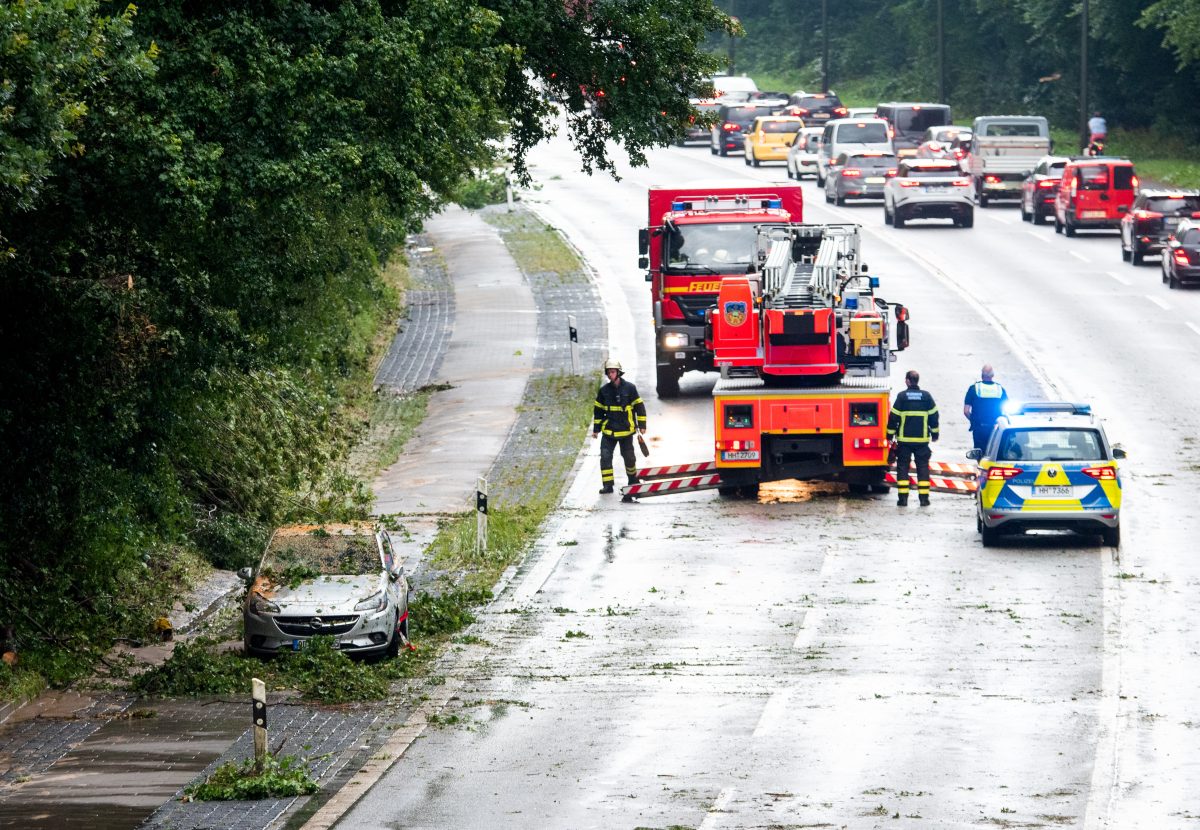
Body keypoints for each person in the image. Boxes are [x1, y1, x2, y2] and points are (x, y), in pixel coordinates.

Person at [591, 359, 647, 494]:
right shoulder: (603, 391)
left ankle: (632, 480)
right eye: (608, 372)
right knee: (605, 457)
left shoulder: (630, 388)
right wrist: (596, 430)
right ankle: (608, 485)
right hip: (609, 432)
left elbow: (639, 407)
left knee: (629, 457)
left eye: (612, 372)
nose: (610, 375)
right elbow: (598, 411)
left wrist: (642, 425)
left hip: (626, 431)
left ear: (618, 372)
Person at [887, 369, 939, 507]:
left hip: (904, 441)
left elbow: (893, 418)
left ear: (908, 381)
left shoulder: (902, 397)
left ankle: (903, 499)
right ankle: (924, 499)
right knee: (923, 468)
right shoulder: (926, 397)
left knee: (903, 468)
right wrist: (935, 434)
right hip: (922, 441)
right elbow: (934, 416)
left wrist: (889, 435)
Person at [963, 364, 1008, 453]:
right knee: (994, 454)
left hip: (979, 428)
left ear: (982, 375)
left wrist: (974, 421)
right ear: (992, 375)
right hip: (996, 429)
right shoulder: (1000, 389)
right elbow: (1007, 411)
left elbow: (966, 411)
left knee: (980, 454)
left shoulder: (974, 388)